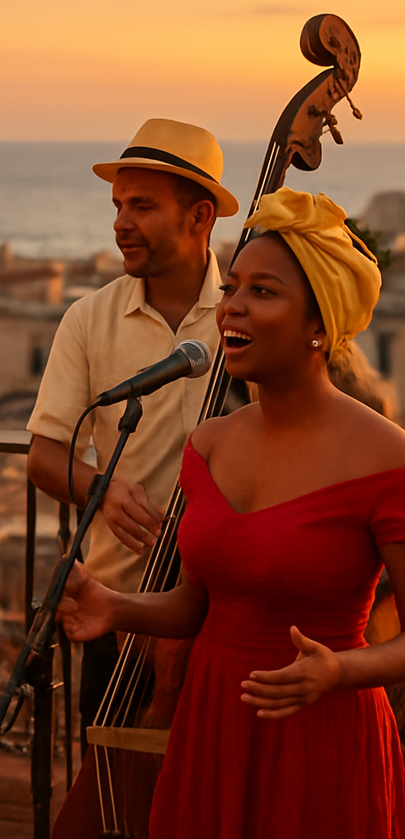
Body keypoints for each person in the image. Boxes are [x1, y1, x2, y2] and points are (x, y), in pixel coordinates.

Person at [58, 188, 405, 837]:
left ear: (320, 326)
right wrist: (115, 605)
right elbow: (199, 603)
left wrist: (340, 669)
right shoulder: (210, 445)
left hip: (320, 734)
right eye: (234, 284)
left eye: (263, 292)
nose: (232, 306)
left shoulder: (385, 457)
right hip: (211, 724)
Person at [26, 118, 240, 743]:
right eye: (119, 205)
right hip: (121, 605)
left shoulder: (247, 314)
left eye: (142, 206)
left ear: (200, 217)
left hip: (228, 612)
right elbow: (44, 457)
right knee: (115, 802)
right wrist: (104, 488)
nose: (120, 222)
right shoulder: (88, 319)